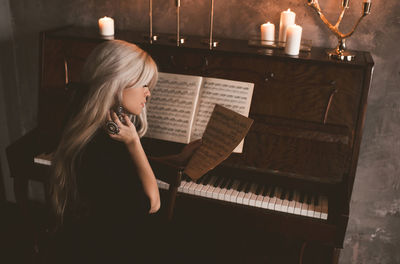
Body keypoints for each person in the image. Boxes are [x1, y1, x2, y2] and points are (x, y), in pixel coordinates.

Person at [49, 40, 200, 263]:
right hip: (108, 249)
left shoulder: (84, 117)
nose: (148, 94)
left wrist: (176, 159)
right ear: (119, 83)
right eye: (144, 85)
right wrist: (133, 143)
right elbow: (153, 202)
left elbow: (125, 169)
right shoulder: (107, 144)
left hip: (85, 238)